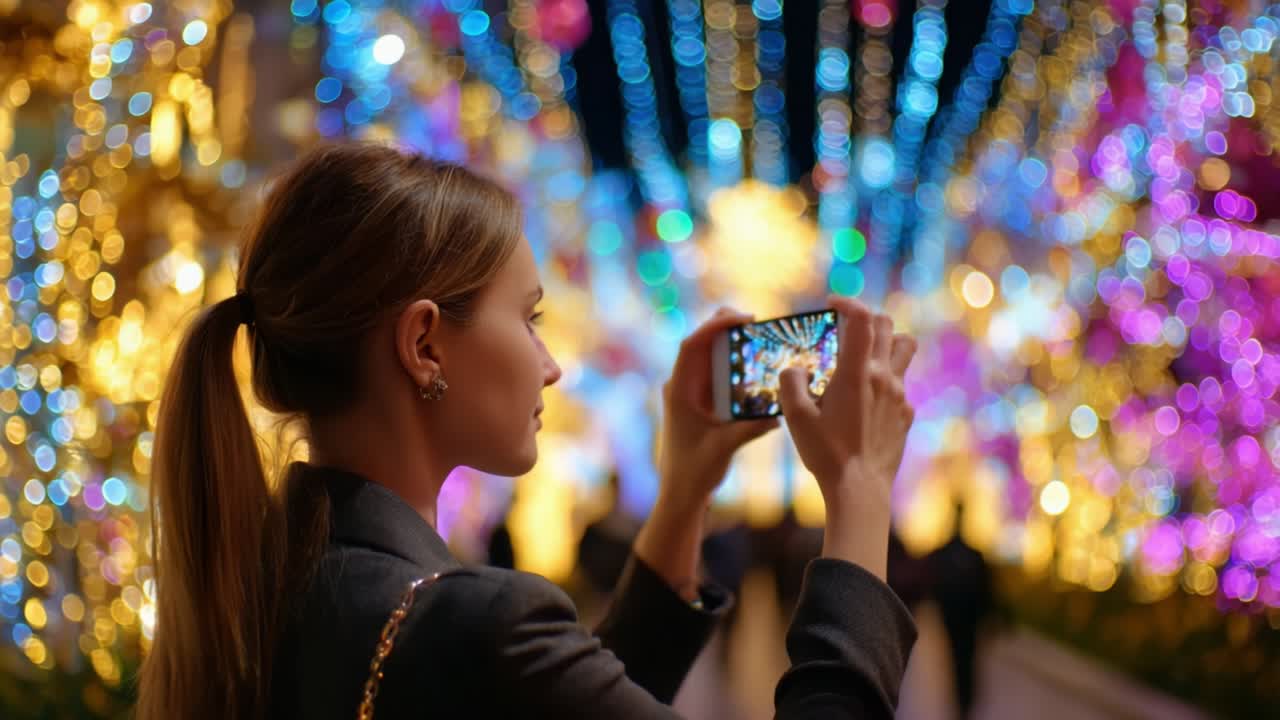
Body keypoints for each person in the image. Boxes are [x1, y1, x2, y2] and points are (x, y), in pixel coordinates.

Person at [133, 142, 920, 719]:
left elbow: (570, 700)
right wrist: (859, 495)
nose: (551, 366)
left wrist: (684, 489)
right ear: (424, 345)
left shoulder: (278, 579)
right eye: (529, 317)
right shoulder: (469, 624)